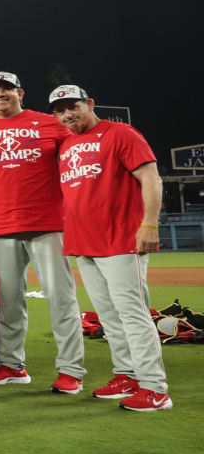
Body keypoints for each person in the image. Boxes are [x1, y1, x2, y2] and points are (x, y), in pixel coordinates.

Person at [0, 70, 86, 390]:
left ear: (21, 93)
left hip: (46, 225)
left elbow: (78, 162)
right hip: (1, 229)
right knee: (9, 302)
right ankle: (14, 366)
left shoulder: (51, 123)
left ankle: (71, 370)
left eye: (7, 89)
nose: (0, 94)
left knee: (60, 298)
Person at [49, 85, 171, 411]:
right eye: (59, 111)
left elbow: (151, 178)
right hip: (84, 242)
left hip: (120, 240)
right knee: (108, 317)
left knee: (133, 315)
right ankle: (127, 375)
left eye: (72, 107)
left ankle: (154, 387)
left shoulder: (120, 133)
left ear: (89, 104)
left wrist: (149, 224)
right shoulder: (67, 144)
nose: (66, 115)